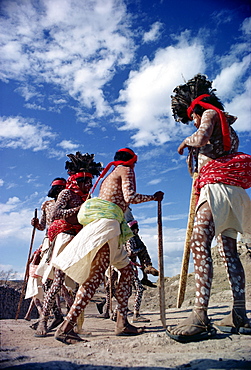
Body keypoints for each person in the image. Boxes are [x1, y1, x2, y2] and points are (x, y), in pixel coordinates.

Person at [166, 74, 251, 342]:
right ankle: (238, 314)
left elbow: (201, 138)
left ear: (197, 109)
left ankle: (200, 316)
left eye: (191, 116)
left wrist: (185, 142)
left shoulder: (209, 116)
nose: (192, 121)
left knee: (199, 243)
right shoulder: (226, 124)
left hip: (216, 190)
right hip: (233, 193)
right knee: (229, 252)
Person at [52, 147, 164, 344]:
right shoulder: (125, 169)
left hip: (114, 227)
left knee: (128, 272)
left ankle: (122, 322)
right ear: (132, 160)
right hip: (108, 227)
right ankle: (65, 328)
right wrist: (153, 197)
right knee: (94, 279)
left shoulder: (111, 174)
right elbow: (130, 197)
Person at [35, 153, 102, 337]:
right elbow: (56, 214)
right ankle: (43, 320)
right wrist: (79, 209)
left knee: (83, 281)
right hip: (65, 237)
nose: (88, 185)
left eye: (90, 181)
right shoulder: (66, 193)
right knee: (57, 282)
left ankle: (71, 323)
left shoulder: (86, 197)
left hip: (80, 239)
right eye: (84, 181)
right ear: (75, 179)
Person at [24, 178, 66, 326]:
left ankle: (68, 318)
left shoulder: (70, 200)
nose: (59, 192)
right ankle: (56, 315)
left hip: (65, 238)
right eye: (57, 190)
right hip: (49, 241)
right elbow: (43, 226)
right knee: (46, 278)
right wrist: (36, 224)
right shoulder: (47, 206)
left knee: (63, 283)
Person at [126, 219, 159, 287]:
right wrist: (141, 249)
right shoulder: (130, 238)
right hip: (129, 259)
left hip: (134, 258)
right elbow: (130, 252)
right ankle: (147, 266)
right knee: (143, 250)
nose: (137, 230)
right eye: (136, 229)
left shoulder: (135, 237)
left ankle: (146, 274)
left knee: (143, 250)